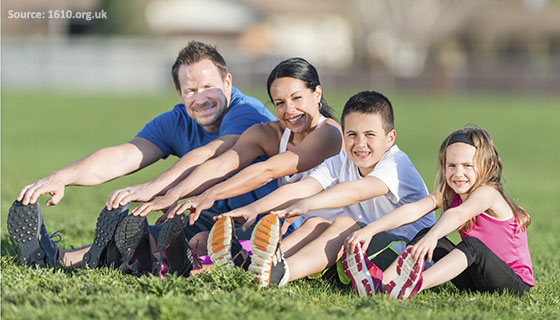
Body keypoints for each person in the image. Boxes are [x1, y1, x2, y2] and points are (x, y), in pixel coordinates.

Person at [8, 41, 276, 272]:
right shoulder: (177, 120)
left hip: (261, 219)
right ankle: (55, 258)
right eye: (191, 91)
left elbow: (212, 154)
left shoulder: (248, 114)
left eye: (208, 87)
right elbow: (125, 155)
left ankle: (151, 259)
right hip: (210, 213)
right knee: (143, 237)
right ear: (179, 93)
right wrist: (61, 177)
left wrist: (154, 188)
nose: (201, 98)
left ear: (227, 82)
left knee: (197, 242)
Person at [120, 57, 343, 265]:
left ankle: (158, 263)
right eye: (280, 102)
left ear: (317, 94)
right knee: (199, 240)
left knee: (206, 243)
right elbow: (221, 164)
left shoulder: (329, 134)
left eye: (297, 98)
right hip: (285, 224)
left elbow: (267, 171)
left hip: (325, 236)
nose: (289, 110)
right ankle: (144, 261)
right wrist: (174, 194)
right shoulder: (271, 133)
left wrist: (210, 195)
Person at [218, 90, 436, 288]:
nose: (360, 143)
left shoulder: (398, 164)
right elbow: (303, 188)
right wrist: (254, 208)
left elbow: (356, 191)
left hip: (411, 255)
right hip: (367, 245)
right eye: (352, 135)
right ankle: (257, 266)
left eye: (370, 135)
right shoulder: (342, 160)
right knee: (315, 223)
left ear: (390, 138)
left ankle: (281, 272)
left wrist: (307, 203)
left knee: (344, 224)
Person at [341, 127, 534, 299]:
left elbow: (458, 215)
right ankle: (383, 283)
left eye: (467, 166)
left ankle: (411, 286)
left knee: (473, 245)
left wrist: (434, 236)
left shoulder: (488, 193)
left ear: (487, 166)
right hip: (475, 281)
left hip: (513, 283)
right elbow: (412, 210)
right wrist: (370, 230)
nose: (458, 173)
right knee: (425, 233)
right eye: (452, 166)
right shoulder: (450, 193)